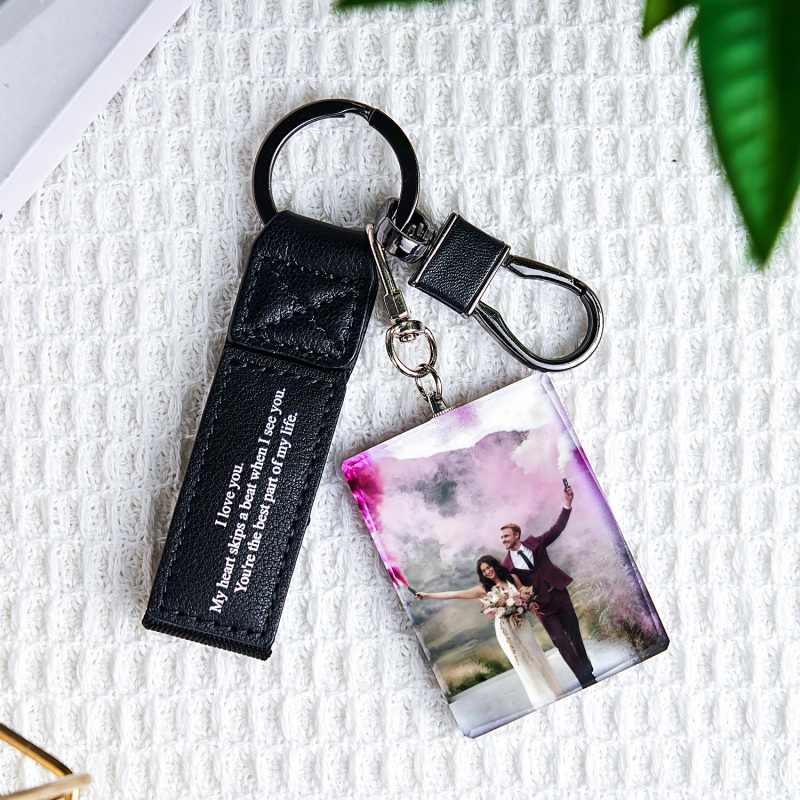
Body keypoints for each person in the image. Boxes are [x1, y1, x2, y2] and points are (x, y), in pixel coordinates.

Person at [416, 555, 562, 707]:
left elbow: (526, 597)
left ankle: (555, 690)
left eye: (488, 567)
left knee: (536, 654)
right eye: (483, 571)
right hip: (505, 629)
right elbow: (456, 594)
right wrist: (427, 595)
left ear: (494, 565)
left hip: (522, 624)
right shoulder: (483, 589)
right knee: (522, 661)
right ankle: (543, 699)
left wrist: (525, 604)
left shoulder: (512, 578)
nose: (487, 572)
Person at [500, 485, 596, 687]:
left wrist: (567, 503)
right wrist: (523, 603)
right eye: (502, 538)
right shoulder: (506, 566)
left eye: (506, 536)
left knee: (574, 633)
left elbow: (557, 528)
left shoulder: (536, 543)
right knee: (560, 641)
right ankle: (585, 679)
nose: (503, 540)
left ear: (517, 534)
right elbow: (509, 588)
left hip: (560, 593)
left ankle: (585, 666)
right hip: (542, 606)